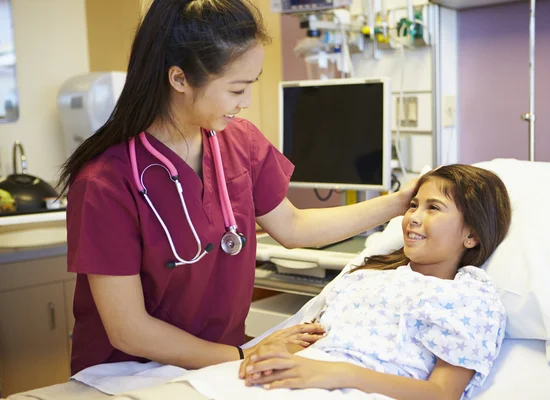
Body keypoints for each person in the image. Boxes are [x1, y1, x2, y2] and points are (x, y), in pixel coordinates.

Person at [57, 0, 416, 376]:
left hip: (221, 364)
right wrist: (246, 356)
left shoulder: (239, 142)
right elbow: (129, 331)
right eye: (236, 89)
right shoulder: (106, 181)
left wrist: (399, 202)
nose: (245, 103)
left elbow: (294, 227)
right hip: (127, 375)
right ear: (179, 79)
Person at [234, 165, 511, 400]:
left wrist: (339, 374)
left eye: (433, 208)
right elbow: (312, 340)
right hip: (302, 380)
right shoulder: (366, 276)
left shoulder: (468, 298)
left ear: (472, 236)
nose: (412, 217)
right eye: (413, 205)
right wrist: (273, 354)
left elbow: (441, 393)